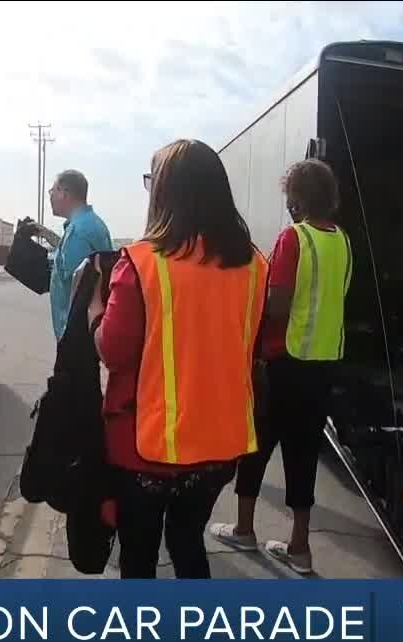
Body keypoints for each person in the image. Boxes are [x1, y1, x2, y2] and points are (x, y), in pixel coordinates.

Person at [89, 140, 266, 579]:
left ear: (164, 192)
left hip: (149, 447)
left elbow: (112, 349)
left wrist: (95, 304)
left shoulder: (141, 263)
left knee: (139, 556)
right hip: (220, 446)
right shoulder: (255, 266)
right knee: (188, 542)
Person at [210, 158, 353, 576]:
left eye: (290, 195)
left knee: (256, 445)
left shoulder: (295, 239)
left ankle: (243, 528)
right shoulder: (342, 241)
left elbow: (277, 305)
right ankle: (299, 548)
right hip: (323, 364)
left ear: (299, 199)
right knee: (303, 452)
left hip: (284, 362)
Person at [37, 170, 112, 341]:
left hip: (77, 336)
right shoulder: (91, 223)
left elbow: (79, 289)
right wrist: (47, 234)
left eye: (52, 191)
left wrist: (70, 340)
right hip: (89, 330)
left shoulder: (78, 232)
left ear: (65, 193)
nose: (51, 197)